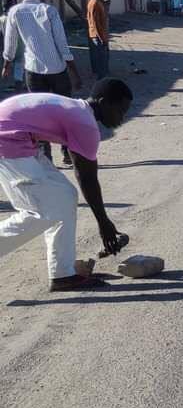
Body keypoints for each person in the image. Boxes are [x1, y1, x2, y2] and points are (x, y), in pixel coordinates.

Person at [0, 77, 131, 291]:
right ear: (104, 102)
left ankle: (63, 274)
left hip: (22, 140)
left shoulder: (78, 112)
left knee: (65, 196)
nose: (122, 117)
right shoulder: (85, 124)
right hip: (8, 140)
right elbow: (86, 177)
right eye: (120, 110)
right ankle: (62, 273)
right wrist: (104, 223)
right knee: (39, 211)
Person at [2, 0, 81, 165]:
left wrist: (7, 65)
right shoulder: (49, 11)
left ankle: (46, 156)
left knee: (39, 114)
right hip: (58, 70)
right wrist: (74, 71)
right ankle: (67, 152)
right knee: (64, 112)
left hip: (33, 70)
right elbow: (62, 44)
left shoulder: (15, 12)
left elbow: (10, 43)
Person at [86, 0, 110, 78]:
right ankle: (101, 79)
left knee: (99, 59)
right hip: (97, 35)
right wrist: (102, 38)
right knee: (102, 60)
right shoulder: (95, 3)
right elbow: (96, 23)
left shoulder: (94, 1)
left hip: (95, 34)